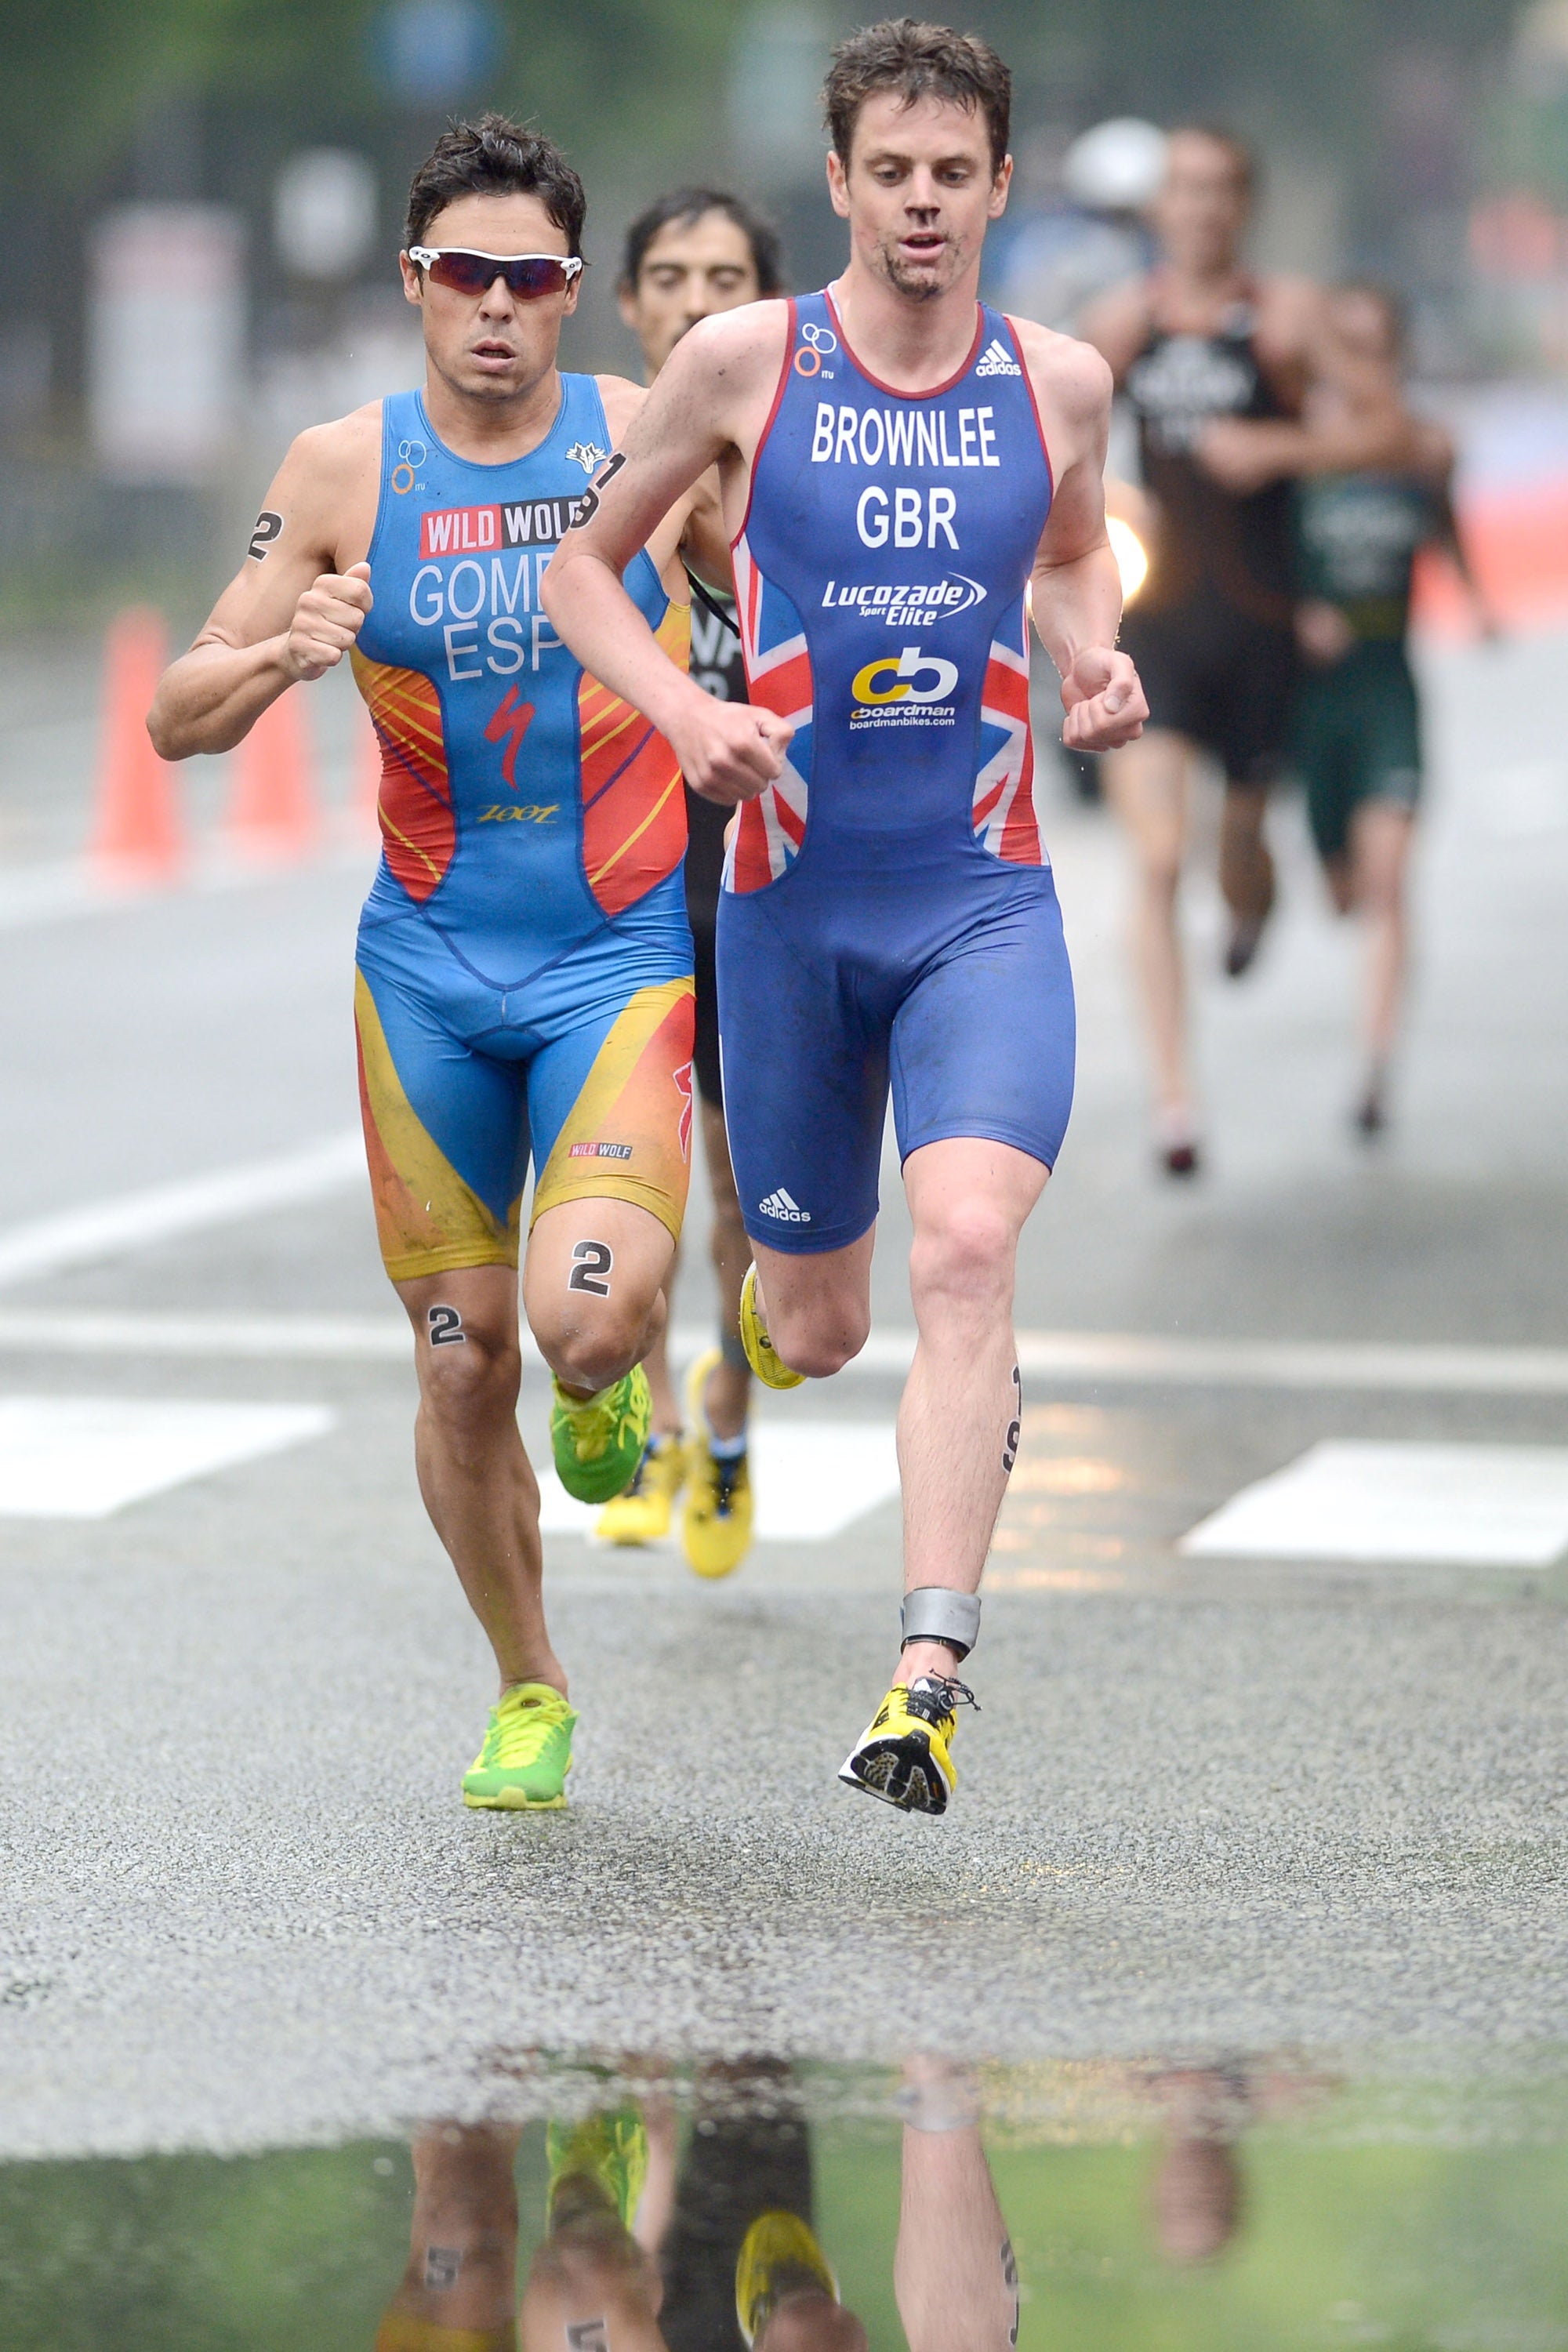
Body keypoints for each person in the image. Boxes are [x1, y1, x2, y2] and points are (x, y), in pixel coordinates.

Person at [545, 18, 1147, 1815]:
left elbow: (1060, 560)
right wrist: (685, 715)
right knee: (811, 1326)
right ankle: (765, 1321)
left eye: (949, 173)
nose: (917, 202)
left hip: (977, 898)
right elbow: (585, 564)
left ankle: (924, 1675)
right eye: (886, 171)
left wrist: (1093, 664)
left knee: (966, 1244)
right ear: (836, 183)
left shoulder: (1057, 383)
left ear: (997, 190)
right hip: (787, 907)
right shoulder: (742, 362)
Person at [149, 115, 727, 1813]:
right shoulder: (339, 470)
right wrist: (275, 664)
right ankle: (529, 1684)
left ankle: (609, 1383)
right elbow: (177, 707)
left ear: (573, 295)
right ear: (415, 284)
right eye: (462, 274)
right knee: (461, 1356)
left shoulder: (647, 432)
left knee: (581, 1327)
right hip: (425, 975)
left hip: (618, 955)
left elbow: (784, 590)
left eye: (530, 278)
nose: (494, 307)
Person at [1080, 129, 1413, 1175]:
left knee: (1239, 853)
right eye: (1185, 191)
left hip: (1265, 630)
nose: (1202, 210)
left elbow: (1390, 429)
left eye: (1222, 191)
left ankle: (1249, 900)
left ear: (1244, 206)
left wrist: (1282, 447)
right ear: (1160, 209)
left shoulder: (1287, 320)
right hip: (1163, 632)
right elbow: (1049, 434)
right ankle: (1176, 1102)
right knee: (1158, 856)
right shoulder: (1122, 324)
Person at [596, 189, 786, 1579]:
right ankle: (656, 1418)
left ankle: (725, 1414)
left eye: (727, 276)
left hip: (762, 894)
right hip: (624, 886)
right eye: (670, 275)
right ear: (630, 304)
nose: (695, 298)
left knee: (734, 1197)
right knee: (629, 1181)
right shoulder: (594, 487)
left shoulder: (798, 471)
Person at [1292, 283, 1495, 1138]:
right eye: (1348, 346)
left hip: (1387, 693)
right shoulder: (1297, 453)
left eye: (1378, 347)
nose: (1362, 366)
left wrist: (1477, 600)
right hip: (1312, 710)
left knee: (1387, 881)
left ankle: (1372, 1067)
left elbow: (1444, 524)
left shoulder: (1418, 451)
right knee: (1341, 893)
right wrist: (1295, 611)